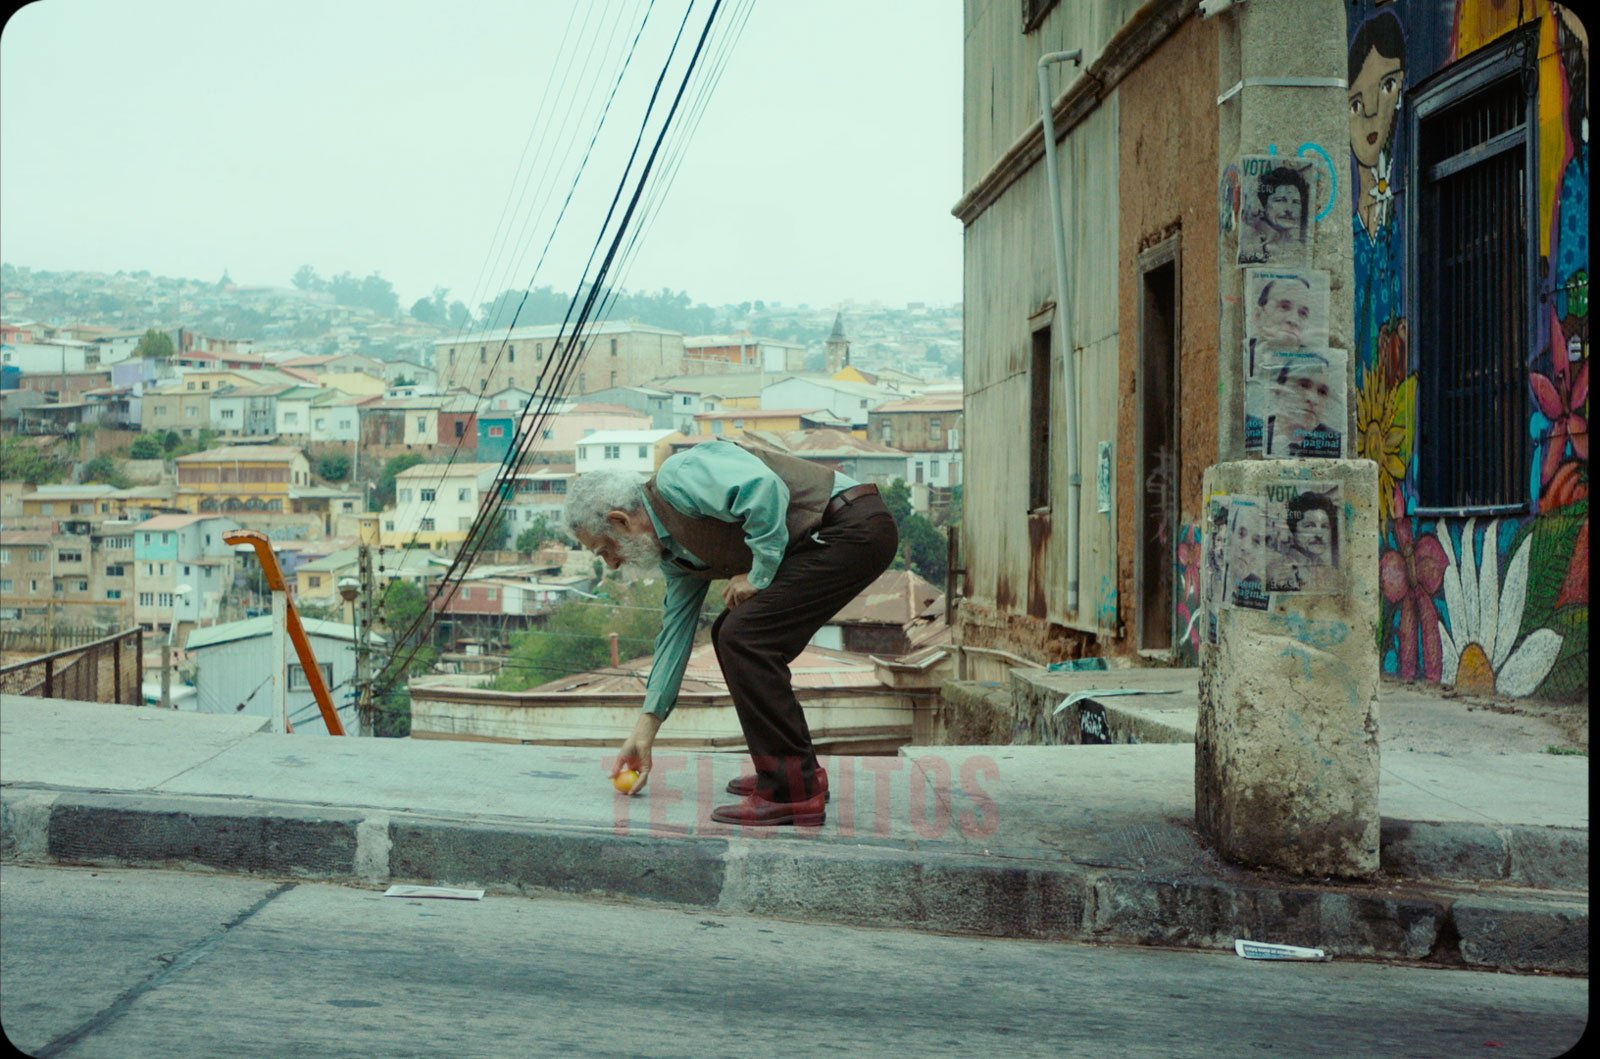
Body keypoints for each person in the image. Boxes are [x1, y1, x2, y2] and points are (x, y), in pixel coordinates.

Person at [565, 436, 897, 827]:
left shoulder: (677, 478)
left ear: (621, 521)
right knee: (733, 632)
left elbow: (762, 489)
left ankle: (792, 791)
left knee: (744, 636)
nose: (614, 565)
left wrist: (759, 573)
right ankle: (796, 772)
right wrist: (646, 728)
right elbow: (674, 635)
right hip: (831, 539)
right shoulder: (677, 557)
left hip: (851, 525)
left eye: (605, 550)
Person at [1267, 491, 1340, 593]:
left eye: (1324, 526)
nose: (1319, 534)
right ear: (1293, 530)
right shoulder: (1274, 571)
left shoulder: (1333, 574)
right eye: (1309, 525)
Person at [1240, 165, 1312, 264]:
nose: (1289, 209)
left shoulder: (1301, 251)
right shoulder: (1250, 245)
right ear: (1264, 205)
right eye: (1280, 200)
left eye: (1295, 202)